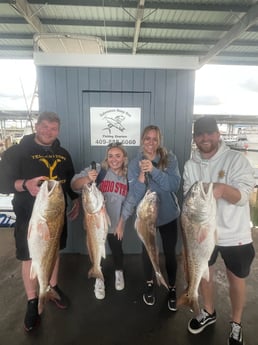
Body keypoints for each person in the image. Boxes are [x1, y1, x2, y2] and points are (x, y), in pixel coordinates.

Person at [0, 112, 80, 332]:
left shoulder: (63, 154)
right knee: (30, 256)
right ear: (36, 126)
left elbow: (69, 179)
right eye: (44, 126)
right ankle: (33, 300)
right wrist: (25, 184)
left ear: (58, 130)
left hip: (56, 214)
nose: (48, 131)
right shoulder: (17, 152)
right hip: (29, 216)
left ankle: (52, 287)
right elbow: (2, 182)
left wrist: (76, 200)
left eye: (53, 128)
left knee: (53, 251)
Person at [183, 116, 256, 345]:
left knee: (236, 280)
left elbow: (244, 197)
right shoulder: (190, 165)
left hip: (235, 234)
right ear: (195, 138)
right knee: (205, 273)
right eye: (200, 134)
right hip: (202, 233)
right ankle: (208, 311)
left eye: (209, 133)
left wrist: (222, 188)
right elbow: (188, 198)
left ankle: (236, 323)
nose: (205, 138)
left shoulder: (236, 160)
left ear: (218, 134)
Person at [127, 125, 181, 311]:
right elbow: (135, 193)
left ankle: (172, 288)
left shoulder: (170, 159)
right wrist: (142, 174)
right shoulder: (135, 163)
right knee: (148, 250)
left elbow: (173, 185)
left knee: (169, 251)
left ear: (159, 141)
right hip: (146, 217)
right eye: (147, 138)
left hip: (167, 215)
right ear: (142, 139)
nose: (151, 142)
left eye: (155, 139)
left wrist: (154, 170)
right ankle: (150, 284)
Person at [71, 142, 133, 300]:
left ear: (124, 158)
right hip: (96, 221)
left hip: (115, 222)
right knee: (96, 248)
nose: (114, 159)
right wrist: (87, 178)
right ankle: (98, 276)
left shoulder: (128, 176)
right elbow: (73, 185)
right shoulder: (98, 170)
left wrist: (121, 223)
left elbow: (130, 201)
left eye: (118, 156)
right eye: (110, 156)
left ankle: (119, 272)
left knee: (117, 248)